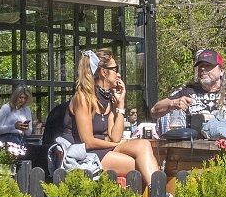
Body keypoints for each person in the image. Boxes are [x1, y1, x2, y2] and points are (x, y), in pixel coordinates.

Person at [58, 49, 159, 183]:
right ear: (104, 72)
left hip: (102, 148)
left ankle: (159, 193)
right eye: (115, 69)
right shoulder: (83, 97)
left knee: (143, 145)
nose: (118, 74)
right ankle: (158, 194)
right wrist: (115, 144)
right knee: (137, 165)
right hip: (82, 153)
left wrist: (120, 104)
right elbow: (87, 141)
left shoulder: (109, 99)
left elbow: (115, 136)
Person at [149, 48, 226, 138]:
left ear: (221, 71)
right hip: (193, 150)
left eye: (208, 66)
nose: (202, 69)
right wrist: (173, 103)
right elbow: (154, 111)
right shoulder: (187, 90)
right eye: (200, 66)